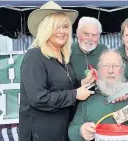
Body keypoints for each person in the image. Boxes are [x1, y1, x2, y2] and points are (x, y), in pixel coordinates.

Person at [19, 1, 94, 141]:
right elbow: (39, 98)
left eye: (65, 26)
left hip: (63, 131)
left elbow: (61, 86)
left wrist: (82, 83)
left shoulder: (64, 57)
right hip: (41, 135)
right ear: (45, 29)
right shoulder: (34, 56)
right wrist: (75, 94)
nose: (62, 31)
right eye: (56, 27)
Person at [68, 50, 128, 141]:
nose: (110, 71)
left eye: (115, 66)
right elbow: (72, 132)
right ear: (99, 69)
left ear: (122, 70)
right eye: (106, 66)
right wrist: (81, 131)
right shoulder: (88, 98)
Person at [70, 16, 108, 86]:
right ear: (77, 33)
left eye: (94, 35)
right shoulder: (68, 51)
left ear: (99, 36)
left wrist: (101, 76)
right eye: (86, 34)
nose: (90, 39)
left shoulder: (104, 50)